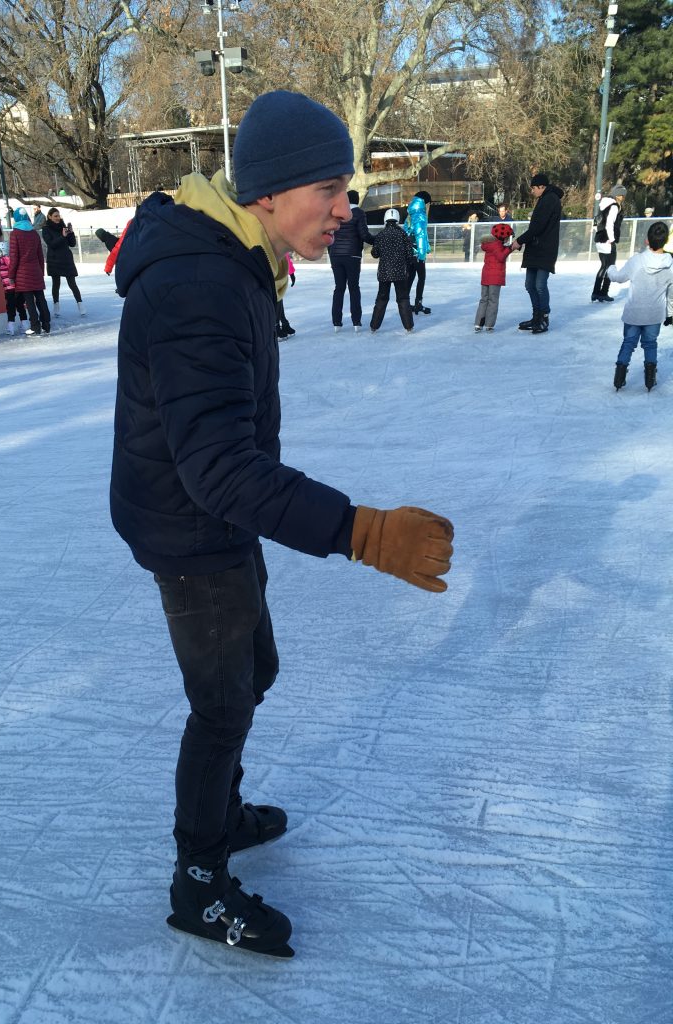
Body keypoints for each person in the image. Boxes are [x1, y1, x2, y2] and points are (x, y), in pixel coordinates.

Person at [109, 89, 454, 959]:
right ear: (266, 190)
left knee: (254, 669)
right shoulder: (201, 283)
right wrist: (364, 532)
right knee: (222, 706)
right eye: (329, 190)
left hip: (215, 515)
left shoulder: (233, 253)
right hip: (193, 528)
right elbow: (219, 466)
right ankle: (198, 882)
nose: (347, 210)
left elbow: (226, 448)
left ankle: (221, 812)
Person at [607, 221, 673, 392]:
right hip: (654, 315)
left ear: (647, 241)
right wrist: (670, 313)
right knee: (650, 344)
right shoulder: (670, 264)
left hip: (634, 313)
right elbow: (671, 293)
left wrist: (610, 267)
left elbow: (619, 277)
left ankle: (619, 378)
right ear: (665, 241)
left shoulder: (637, 260)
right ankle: (650, 379)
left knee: (628, 343)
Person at [511, 173, 563, 335]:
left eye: (534, 188)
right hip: (535, 248)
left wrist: (519, 240)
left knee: (540, 285)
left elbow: (538, 227)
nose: (532, 191)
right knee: (530, 284)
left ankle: (543, 317)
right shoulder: (544, 199)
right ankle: (536, 317)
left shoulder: (550, 199)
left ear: (542, 187)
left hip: (544, 250)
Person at [327, 188, 375, 332]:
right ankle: (356, 321)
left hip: (336, 256)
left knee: (339, 288)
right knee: (354, 288)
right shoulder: (359, 213)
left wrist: (332, 252)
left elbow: (330, 232)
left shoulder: (337, 213)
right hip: (352, 256)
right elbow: (364, 234)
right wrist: (377, 241)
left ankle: (336, 322)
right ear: (357, 199)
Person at [369, 208, 416, 333]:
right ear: (397, 219)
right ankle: (408, 326)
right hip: (400, 272)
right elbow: (410, 254)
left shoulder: (380, 235)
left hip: (384, 272)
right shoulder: (402, 234)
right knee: (403, 299)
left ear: (385, 219)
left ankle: (374, 326)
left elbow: (375, 253)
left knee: (382, 299)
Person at [8, 207, 50, 336]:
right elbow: (40, 255)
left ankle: (35, 327)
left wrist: (11, 275)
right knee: (40, 298)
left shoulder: (15, 234)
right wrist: (41, 271)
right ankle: (46, 324)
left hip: (22, 272)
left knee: (29, 301)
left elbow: (14, 257)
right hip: (36, 270)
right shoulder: (34, 233)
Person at [41, 208, 85, 316]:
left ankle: (80, 304)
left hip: (66, 259)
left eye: (58, 216)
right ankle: (56, 305)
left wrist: (71, 233)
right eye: (55, 216)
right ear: (50, 216)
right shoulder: (46, 229)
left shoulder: (63, 227)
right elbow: (51, 244)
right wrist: (63, 236)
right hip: (54, 259)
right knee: (56, 284)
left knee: (72, 283)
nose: (57, 218)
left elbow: (72, 244)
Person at [474, 222, 514, 332]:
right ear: (503, 237)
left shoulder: (490, 244)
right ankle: (489, 325)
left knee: (484, 299)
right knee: (493, 300)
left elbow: (499, 251)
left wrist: (507, 247)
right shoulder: (497, 245)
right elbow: (501, 256)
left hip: (486, 276)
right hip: (495, 278)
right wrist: (511, 248)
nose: (507, 239)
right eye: (507, 237)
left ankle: (478, 324)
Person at [591, 184, 626, 303]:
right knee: (610, 267)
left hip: (600, 239)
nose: (623, 197)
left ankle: (596, 292)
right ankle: (604, 292)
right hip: (607, 240)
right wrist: (611, 239)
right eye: (622, 195)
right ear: (618, 195)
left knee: (603, 266)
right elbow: (609, 223)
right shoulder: (614, 206)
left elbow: (596, 221)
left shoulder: (603, 205)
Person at [403, 190, 432, 314]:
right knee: (421, 277)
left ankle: (404, 302)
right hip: (417, 253)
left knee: (410, 277)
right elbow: (420, 235)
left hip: (409, 253)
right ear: (424, 203)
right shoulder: (420, 215)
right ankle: (418, 303)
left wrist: (427, 247)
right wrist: (421, 254)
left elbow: (407, 233)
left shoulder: (410, 214)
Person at [276, 252, 296, 338]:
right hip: (269, 270)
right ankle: (275, 327)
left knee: (279, 299)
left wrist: (291, 272)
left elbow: (285, 254)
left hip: (279, 271)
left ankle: (283, 323)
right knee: (276, 300)